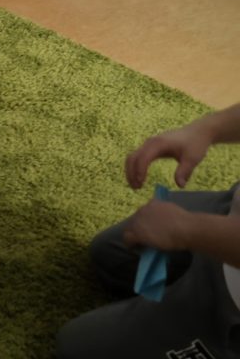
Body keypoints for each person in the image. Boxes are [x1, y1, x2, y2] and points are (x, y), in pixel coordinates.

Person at [57, 101, 240, 359]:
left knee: (77, 349)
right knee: (113, 257)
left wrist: (187, 229)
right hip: (230, 212)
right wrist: (208, 128)